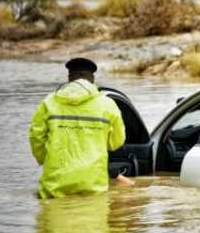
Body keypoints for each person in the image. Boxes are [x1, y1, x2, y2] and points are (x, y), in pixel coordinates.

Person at [29, 58, 130, 199]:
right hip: (93, 185)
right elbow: (116, 142)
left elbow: (36, 138)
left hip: (55, 185)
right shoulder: (108, 105)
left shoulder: (48, 102)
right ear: (92, 78)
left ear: (69, 77)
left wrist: (47, 160)